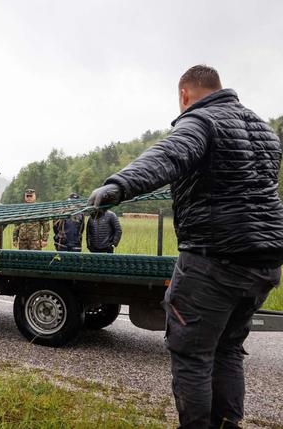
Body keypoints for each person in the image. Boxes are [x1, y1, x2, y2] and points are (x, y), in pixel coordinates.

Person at [87, 65, 283, 428]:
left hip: (214, 261)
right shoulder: (265, 130)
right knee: (227, 349)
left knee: (192, 354)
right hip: (265, 262)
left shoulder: (202, 120)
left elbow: (170, 154)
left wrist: (118, 185)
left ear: (184, 95)